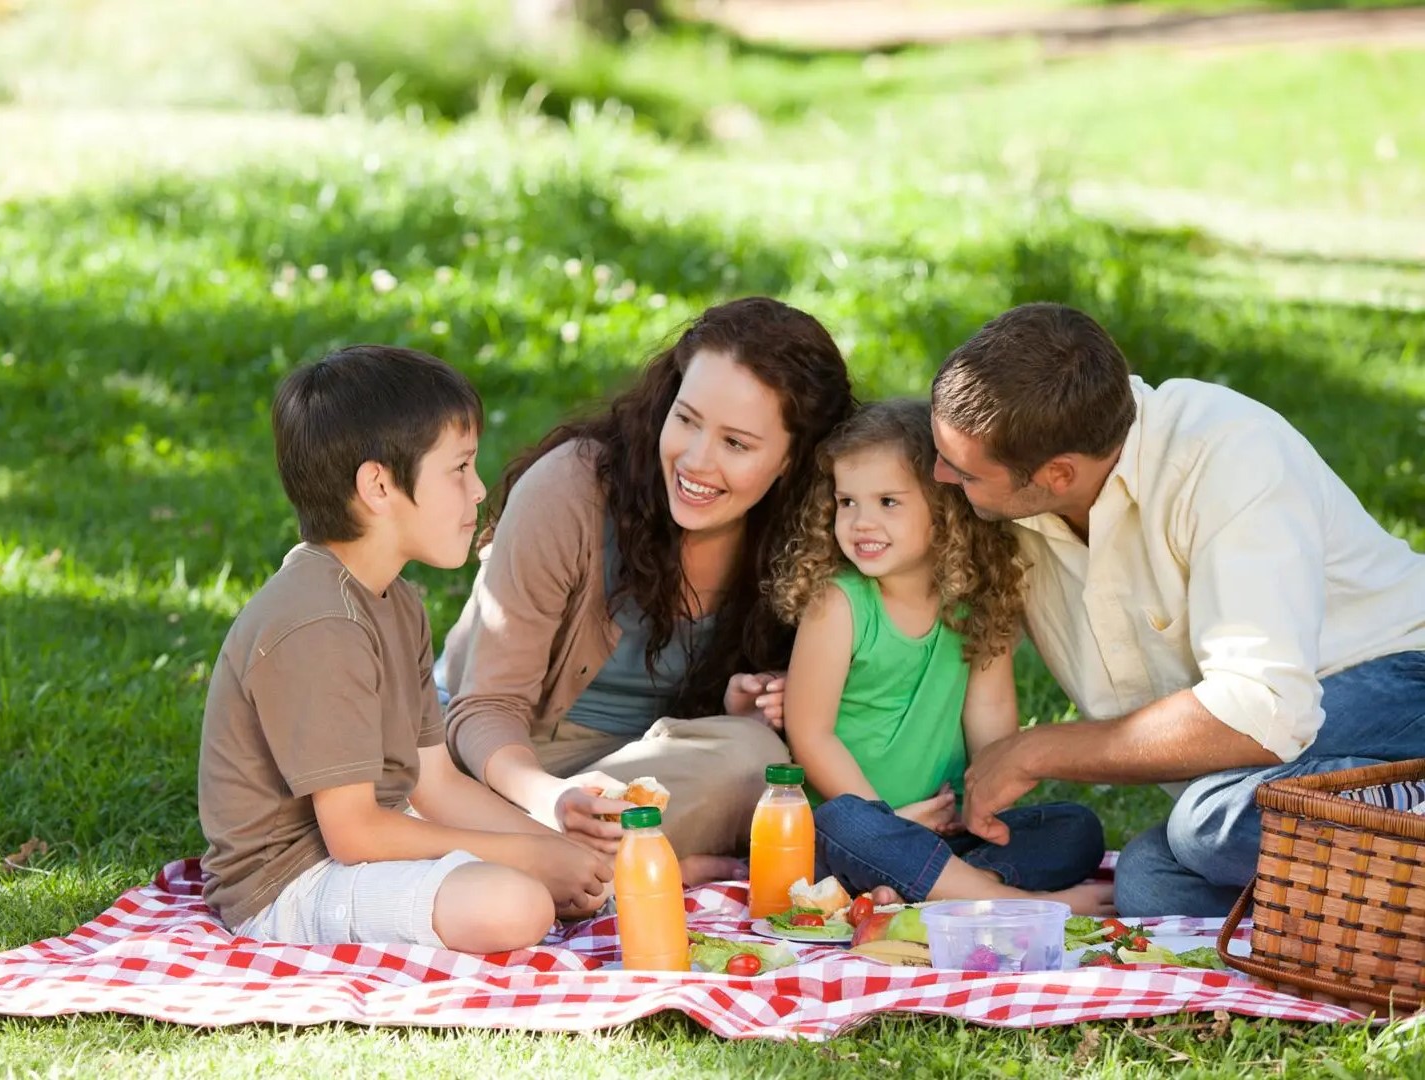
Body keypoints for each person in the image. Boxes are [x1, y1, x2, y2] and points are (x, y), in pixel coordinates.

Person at [928, 302, 1425, 917]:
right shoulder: (1020, 499)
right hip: (1265, 764)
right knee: (1153, 883)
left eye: (965, 472)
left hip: (1400, 682)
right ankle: (1381, 891)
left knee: (1209, 822)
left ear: (1058, 473)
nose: (939, 475)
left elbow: (1263, 711)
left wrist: (1038, 749)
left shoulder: (1229, 455)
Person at [198, 345, 611, 952]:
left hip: (372, 841)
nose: (478, 491)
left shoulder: (396, 601)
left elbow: (435, 782)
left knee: (559, 873)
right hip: (289, 882)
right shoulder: (320, 622)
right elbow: (354, 834)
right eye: (459, 469)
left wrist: (552, 847)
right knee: (516, 902)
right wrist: (527, 857)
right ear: (379, 485)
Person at [439, 297, 856, 881]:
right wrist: (550, 800)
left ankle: (564, 867)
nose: (695, 460)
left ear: (794, 458)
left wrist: (750, 704)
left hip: (650, 777)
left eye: (736, 443)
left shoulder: (815, 535)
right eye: (686, 420)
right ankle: (639, 867)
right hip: (509, 762)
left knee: (755, 758)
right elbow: (483, 708)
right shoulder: (570, 492)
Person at [772, 399, 1112, 914]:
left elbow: (991, 717)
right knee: (843, 823)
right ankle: (1017, 903)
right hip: (856, 836)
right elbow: (810, 735)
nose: (861, 521)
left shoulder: (977, 600)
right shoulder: (837, 603)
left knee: (1075, 828)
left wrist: (986, 807)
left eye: (888, 501)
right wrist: (887, 819)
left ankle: (947, 888)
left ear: (944, 508)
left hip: (945, 832)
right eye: (847, 502)